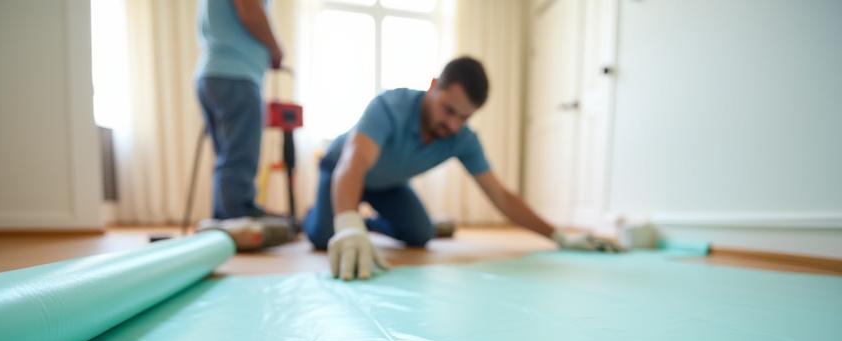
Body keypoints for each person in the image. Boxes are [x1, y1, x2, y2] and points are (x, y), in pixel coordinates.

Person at [304, 56, 621, 281]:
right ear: (432, 87)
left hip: (389, 184)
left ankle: (369, 224)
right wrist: (346, 223)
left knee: (421, 233)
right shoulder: (390, 106)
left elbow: (501, 196)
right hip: (340, 171)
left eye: (464, 118)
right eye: (448, 110)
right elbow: (354, 161)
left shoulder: (462, 140)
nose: (452, 125)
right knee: (324, 237)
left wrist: (560, 237)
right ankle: (321, 217)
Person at [195, 0, 282, 219]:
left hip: (213, 73)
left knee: (228, 158)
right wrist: (275, 48)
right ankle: (237, 219)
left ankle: (223, 220)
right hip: (236, 75)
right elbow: (249, 8)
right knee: (239, 157)